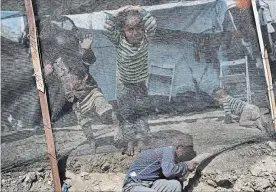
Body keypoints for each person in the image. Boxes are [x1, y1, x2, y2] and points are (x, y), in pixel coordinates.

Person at [40, 16, 121, 153]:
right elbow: (49, 79)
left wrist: (87, 49)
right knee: (85, 123)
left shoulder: (75, 53)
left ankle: (117, 127)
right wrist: (44, 73)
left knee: (107, 113)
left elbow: (89, 60)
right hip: (75, 97)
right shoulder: (53, 63)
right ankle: (92, 141)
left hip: (90, 91)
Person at [104, 5, 157, 155]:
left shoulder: (145, 40)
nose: (135, 33)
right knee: (126, 115)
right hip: (124, 85)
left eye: (139, 28)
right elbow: (107, 27)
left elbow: (152, 24)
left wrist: (140, 9)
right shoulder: (119, 41)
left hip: (140, 85)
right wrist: (117, 12)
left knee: (141, 113)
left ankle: (141, 140)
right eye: (130, 29)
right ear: (123, 31)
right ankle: (129, 141)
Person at [122, 139, 197, 192]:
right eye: (186, 151)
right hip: (134, 186)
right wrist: (185, 166)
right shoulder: (168, 150)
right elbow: (169, 172)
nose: (185, 154)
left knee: (175, 185)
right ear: (179, 147)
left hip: (150, 184)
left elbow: (172, 174)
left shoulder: (167, 155)